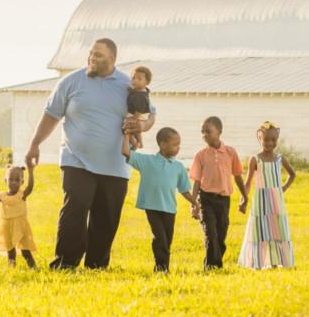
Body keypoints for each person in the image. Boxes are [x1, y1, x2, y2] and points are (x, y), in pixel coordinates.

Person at [25, 38, 156, 270]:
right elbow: (51, 114)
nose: (92, 59)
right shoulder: (71, 81)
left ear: (112, 60)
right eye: (91, 54)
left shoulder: (128, 85)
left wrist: (142, 127)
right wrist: (34, 144)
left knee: (106, 218)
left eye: (98, 55)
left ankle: (97, 266)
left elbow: (149, 114)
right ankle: (65, 264)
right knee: (74, 211)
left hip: (116, 163)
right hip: (76, 160)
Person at [121, 126, 198, 272]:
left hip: (170, 209)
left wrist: (195, 202)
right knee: (160, 239)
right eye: (175, 144)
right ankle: (161, 269)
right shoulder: (147, 161)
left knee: (167, 241)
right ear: (163, 145)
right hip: (152, 208)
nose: (178, 148)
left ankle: (163, 268)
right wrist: (127, 135)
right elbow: (125, 152)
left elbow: (184, 189)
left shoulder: (179, 167)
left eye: (179, 145)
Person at [189, 115, 248, 270]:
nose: (204, 135)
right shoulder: (200, 155)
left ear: (219, 131)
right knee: (210, 233)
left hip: (224, 200)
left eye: (208, 131)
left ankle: (212, 264)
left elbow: (237, 176)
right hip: (206, 198)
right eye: (202, 132)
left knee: (221, 236)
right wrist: (193, 203)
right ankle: (212, 267)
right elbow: (196, 181)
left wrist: (245, 197)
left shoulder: (230, 152)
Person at [237, 121, 296, 269]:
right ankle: (257, 263)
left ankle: (276, 263)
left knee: (277, 229)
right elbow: (248, 182)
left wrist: (282, 189)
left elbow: (292, 174)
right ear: (259, 138)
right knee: (259, 231)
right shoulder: (255, 159)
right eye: (266, 140)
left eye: (273, 140)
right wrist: (243, 199)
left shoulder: (279, 158)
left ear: (278, 138)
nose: (270, 143)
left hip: (276, 201)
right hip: (260, 201)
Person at [0, 163, 38, 268]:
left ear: (22, 182)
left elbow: (30, 187)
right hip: (6, 226)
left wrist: (31, 172)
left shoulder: (22, 194)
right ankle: (11, 269)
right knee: (10, 252)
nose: (13, 182)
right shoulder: (2, 195)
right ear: (5, 180)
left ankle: (33, 268)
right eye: (11, 180)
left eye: (17, 180)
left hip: (21, 226)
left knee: (25, 251)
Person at [126, 65, 153, 150]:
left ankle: (134, 143)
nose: (135, 81)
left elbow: (139, 109)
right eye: (133, 78)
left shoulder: (141, 96)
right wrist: (130, 90)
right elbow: (134, 93)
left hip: (139, 114)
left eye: (139, 79)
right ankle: (140, 143)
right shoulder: (138, 90)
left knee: (127, 127)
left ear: (147, 82)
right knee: (137, 131)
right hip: (141, 113)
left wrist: (134, 118)